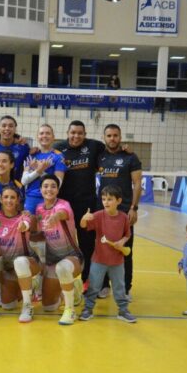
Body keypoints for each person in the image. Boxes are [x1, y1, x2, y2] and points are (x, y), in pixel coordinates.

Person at [54, 120, 108, 287]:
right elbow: (43, 152)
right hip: (64, 207)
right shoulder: (59, 148)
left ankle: (92, 281)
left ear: (85, 135)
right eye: (73, 132)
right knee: (62, 245)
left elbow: (112, 148)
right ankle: (59, 280)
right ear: (67, 133)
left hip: (86, 205)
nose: (76, 136)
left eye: (79, 133)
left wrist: (124, 149)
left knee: (88, 245)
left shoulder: (94, 146)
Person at [0, 186, 40, 322]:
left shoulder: (24, 216)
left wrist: (23, 225)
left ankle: (27, 306)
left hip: (27, 261)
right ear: (1, 199)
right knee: (8, 304)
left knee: (19, 262)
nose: (9, 200)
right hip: (8, 264)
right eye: (6, 197)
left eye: (13, 197)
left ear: (18, 200)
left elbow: (26, 223)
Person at [79, 185, 136, 323]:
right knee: (94, 286)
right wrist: (84, 218)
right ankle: (88, 308)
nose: (106, 202)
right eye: (104, 199)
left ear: (119, 201)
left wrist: (122, 242)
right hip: (99, 260)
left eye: (110, 199)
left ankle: (123, 310)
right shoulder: (98, 215)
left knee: (119, 287)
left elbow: (127, 234)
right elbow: (83, 226)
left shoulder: (123, 217)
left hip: (117, 261)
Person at [97, 124, 142, 299]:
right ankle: (103, 286)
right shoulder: (99, 156)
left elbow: (137, 184)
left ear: (120, 137)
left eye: (115, 135)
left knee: (125, 250)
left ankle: (125, 288)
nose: (112, 139)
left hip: (124, 212)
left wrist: (134, 208)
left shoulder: (130, 157)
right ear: (104, 137)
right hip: (103, 211)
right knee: (102, 248)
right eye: (109, 135)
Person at [33, 174, 84, 325]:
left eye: (53, 186)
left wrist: (54, 217)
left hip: (72, 258)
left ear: (58, 189)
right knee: (49, 306)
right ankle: (71, 289)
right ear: (40, 189)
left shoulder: (63, 204)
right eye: (46, 186)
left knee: (62, 268)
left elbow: (63, 213)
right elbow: (39, 238)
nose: (49, 189)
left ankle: (70, 310)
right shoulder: (39, 209)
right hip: (52, 261)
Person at [22, 124, 67, 214]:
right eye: (41, 133)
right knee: (28, 226)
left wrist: (40, 171)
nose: (44, 136)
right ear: (37, 137)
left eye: (48, 133)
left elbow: (58, 183)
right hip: (31, 198)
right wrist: (38, 170)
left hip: (48, 198)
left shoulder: (58, 156)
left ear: (53, 137)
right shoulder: (31, 154)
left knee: (47, 227)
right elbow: (24, 181)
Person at [0, 116, 30, 181]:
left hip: (16, 187)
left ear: (15, 129)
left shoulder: (23, 148)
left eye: (11, 126)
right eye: (4, 126)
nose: (7, 128)